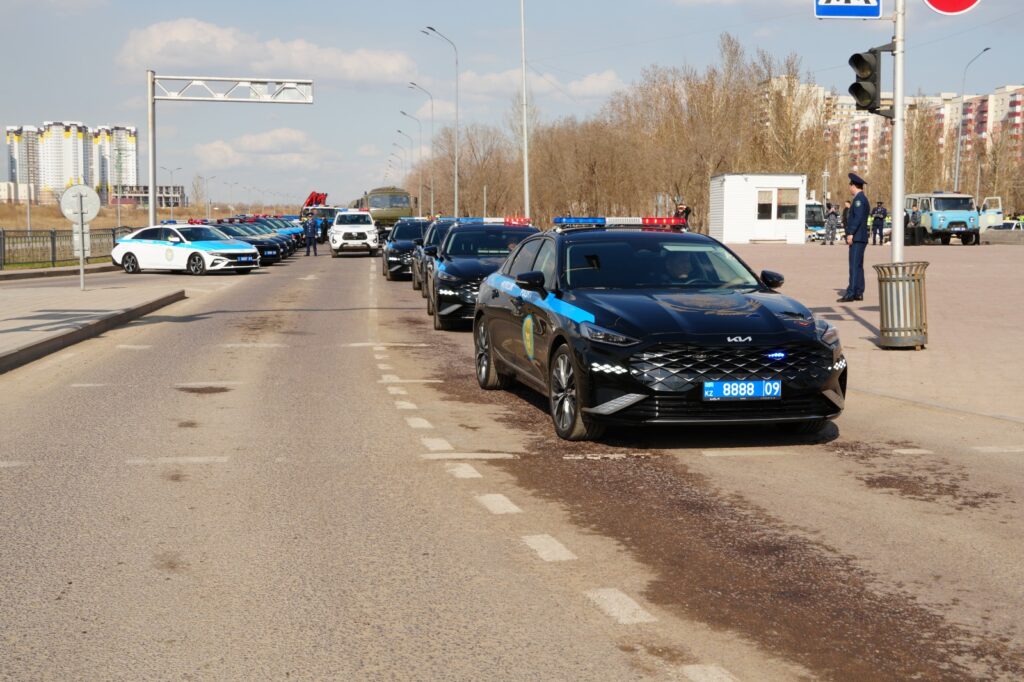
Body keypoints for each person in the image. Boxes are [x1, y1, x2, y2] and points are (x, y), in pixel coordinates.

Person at [839, 173, 869, 303]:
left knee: (854, 266)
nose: (849, 188)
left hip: (857, 237)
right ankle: (858, 291)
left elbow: (857, 218)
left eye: (850, 185)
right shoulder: (862, 199)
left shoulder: (858, 200)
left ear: (854, 186)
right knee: (858, 265)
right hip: (861, 237)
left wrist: (850, 233)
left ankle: (851, 293)